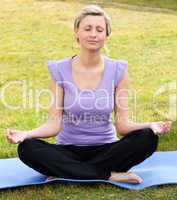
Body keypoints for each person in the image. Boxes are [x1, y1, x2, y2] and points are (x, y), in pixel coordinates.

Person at [6, 5, 172, 184]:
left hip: (107, 151)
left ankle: (67, 172)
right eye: (87, 28)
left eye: (99, 29)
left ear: (106, 36)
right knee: (27, 148)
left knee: (147, 138)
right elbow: (53, 125)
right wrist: (26, 134)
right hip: (68, 150)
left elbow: (123, 126)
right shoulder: (59, 70)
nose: (93, 34)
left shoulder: (118, 70)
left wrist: (150, 124)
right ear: (76, 33)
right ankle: (106, 175)